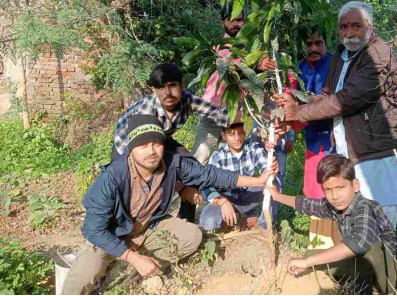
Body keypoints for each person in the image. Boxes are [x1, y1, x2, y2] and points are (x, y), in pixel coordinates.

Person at [63, 115, 277, 295]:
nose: (151, 151)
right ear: (131, 148)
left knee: (192, 236)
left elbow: (210, 174)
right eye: (143, 145)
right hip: (110, 236)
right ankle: (124, 263)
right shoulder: (113, 177)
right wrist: (132, 256)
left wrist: (257, 181)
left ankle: (129, 271)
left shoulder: (172, 161)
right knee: (81, 278)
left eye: (156, 143)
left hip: (147, 229)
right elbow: (93, 229)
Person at [275, 2, 397, 226]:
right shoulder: (341, 56)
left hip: (377, 152)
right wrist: (293, 110)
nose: (349, 33)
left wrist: (299, 111)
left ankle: (388, 260)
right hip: (352, 151)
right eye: (344, 27)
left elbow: (348, 98)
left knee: (381, 222)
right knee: (359, 220)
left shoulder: (378, 53)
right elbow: (327, 96)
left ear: (370, 26)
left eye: (356, 26)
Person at [267, 154, 397, 294]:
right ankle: (351, 284)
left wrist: (308, 262)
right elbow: (308, 204)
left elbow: (359, 243)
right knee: (311, 254)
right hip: (365, 267)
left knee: (363, 249)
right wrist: (277, 196)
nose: (335, 196)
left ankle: (362, 291)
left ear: (355, 185)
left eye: (341, 187)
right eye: (328, 189)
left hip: (392, 277)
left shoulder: (366, 207)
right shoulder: (337, 206)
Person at [113, 62, 228, 221]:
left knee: (193, 170)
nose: (167, 93)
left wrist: (265, 123)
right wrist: (181, 188)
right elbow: (153, 161)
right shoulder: (147, 111)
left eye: (172, 86)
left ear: (181, 86)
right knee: (133, 185)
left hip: (162, 139)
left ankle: (185, 220)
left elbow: (220, 115)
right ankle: (132, 224)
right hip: (129, 145)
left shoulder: (188, 100)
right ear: (154, 90)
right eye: (161, 88)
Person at [191, 3, 276, 165]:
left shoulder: (246, 50)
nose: (237, 24)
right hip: (214, 113)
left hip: (234, 117)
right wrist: (257, 65)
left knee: (230, 164)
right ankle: (182, 190)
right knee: (199, 158)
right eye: (231, 20)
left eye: (240, 20)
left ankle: (216, 190)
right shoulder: (222, 46)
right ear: (223, 23)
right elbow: (232, 68)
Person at [199, 120, 279, 239]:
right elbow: (206, 187)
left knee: (274, 184)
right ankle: (236, 211)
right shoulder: (217, 157)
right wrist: (222, 202)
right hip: (227, 197)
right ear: (223, 136)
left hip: (248, 194)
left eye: (240, 133)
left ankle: (259, 218)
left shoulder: (252, 147)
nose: (237, 138)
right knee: (209, 223)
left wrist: (271, 168)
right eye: (231, 134)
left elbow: (265, 167)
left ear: (244, 133)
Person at [297, 25, 336, 249]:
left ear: (326, 44)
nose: (313, 48)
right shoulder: (299, 68)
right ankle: (321, 245)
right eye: (308, 44)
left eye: (318, 43)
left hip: (335, 140)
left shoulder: (334, 66)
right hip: (312, 141)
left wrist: (308, 101)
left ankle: (337, 246)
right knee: (314, 191)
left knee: (335, 190)